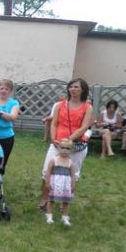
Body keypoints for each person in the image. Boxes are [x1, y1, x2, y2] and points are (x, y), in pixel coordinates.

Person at [38, 78, 93, 210]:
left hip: (76, 145)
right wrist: (53, 138)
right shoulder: (59, 105)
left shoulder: (88, 107)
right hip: (57, 143)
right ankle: (45, 198)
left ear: (83, 90)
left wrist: (69, 139)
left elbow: (84, 126)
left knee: (72, 174)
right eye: (71, 87)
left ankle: (64, 202)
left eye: (76, 87)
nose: (73, 89)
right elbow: (54, 123)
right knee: (47, 171)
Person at [44, 138, 76, 227]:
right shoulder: (54, 160)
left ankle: (65, 217)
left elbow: (73, 175)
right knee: (51, 200)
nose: (65, 150)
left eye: (67, 148)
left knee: (66, 201)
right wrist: (47, 182)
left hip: (66, 185)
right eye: (62, 148)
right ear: (58, 148)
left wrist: (73, 184)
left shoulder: (70, 163)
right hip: (55, 183)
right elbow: (48, 172)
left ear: (71, 150)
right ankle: (49, 216)